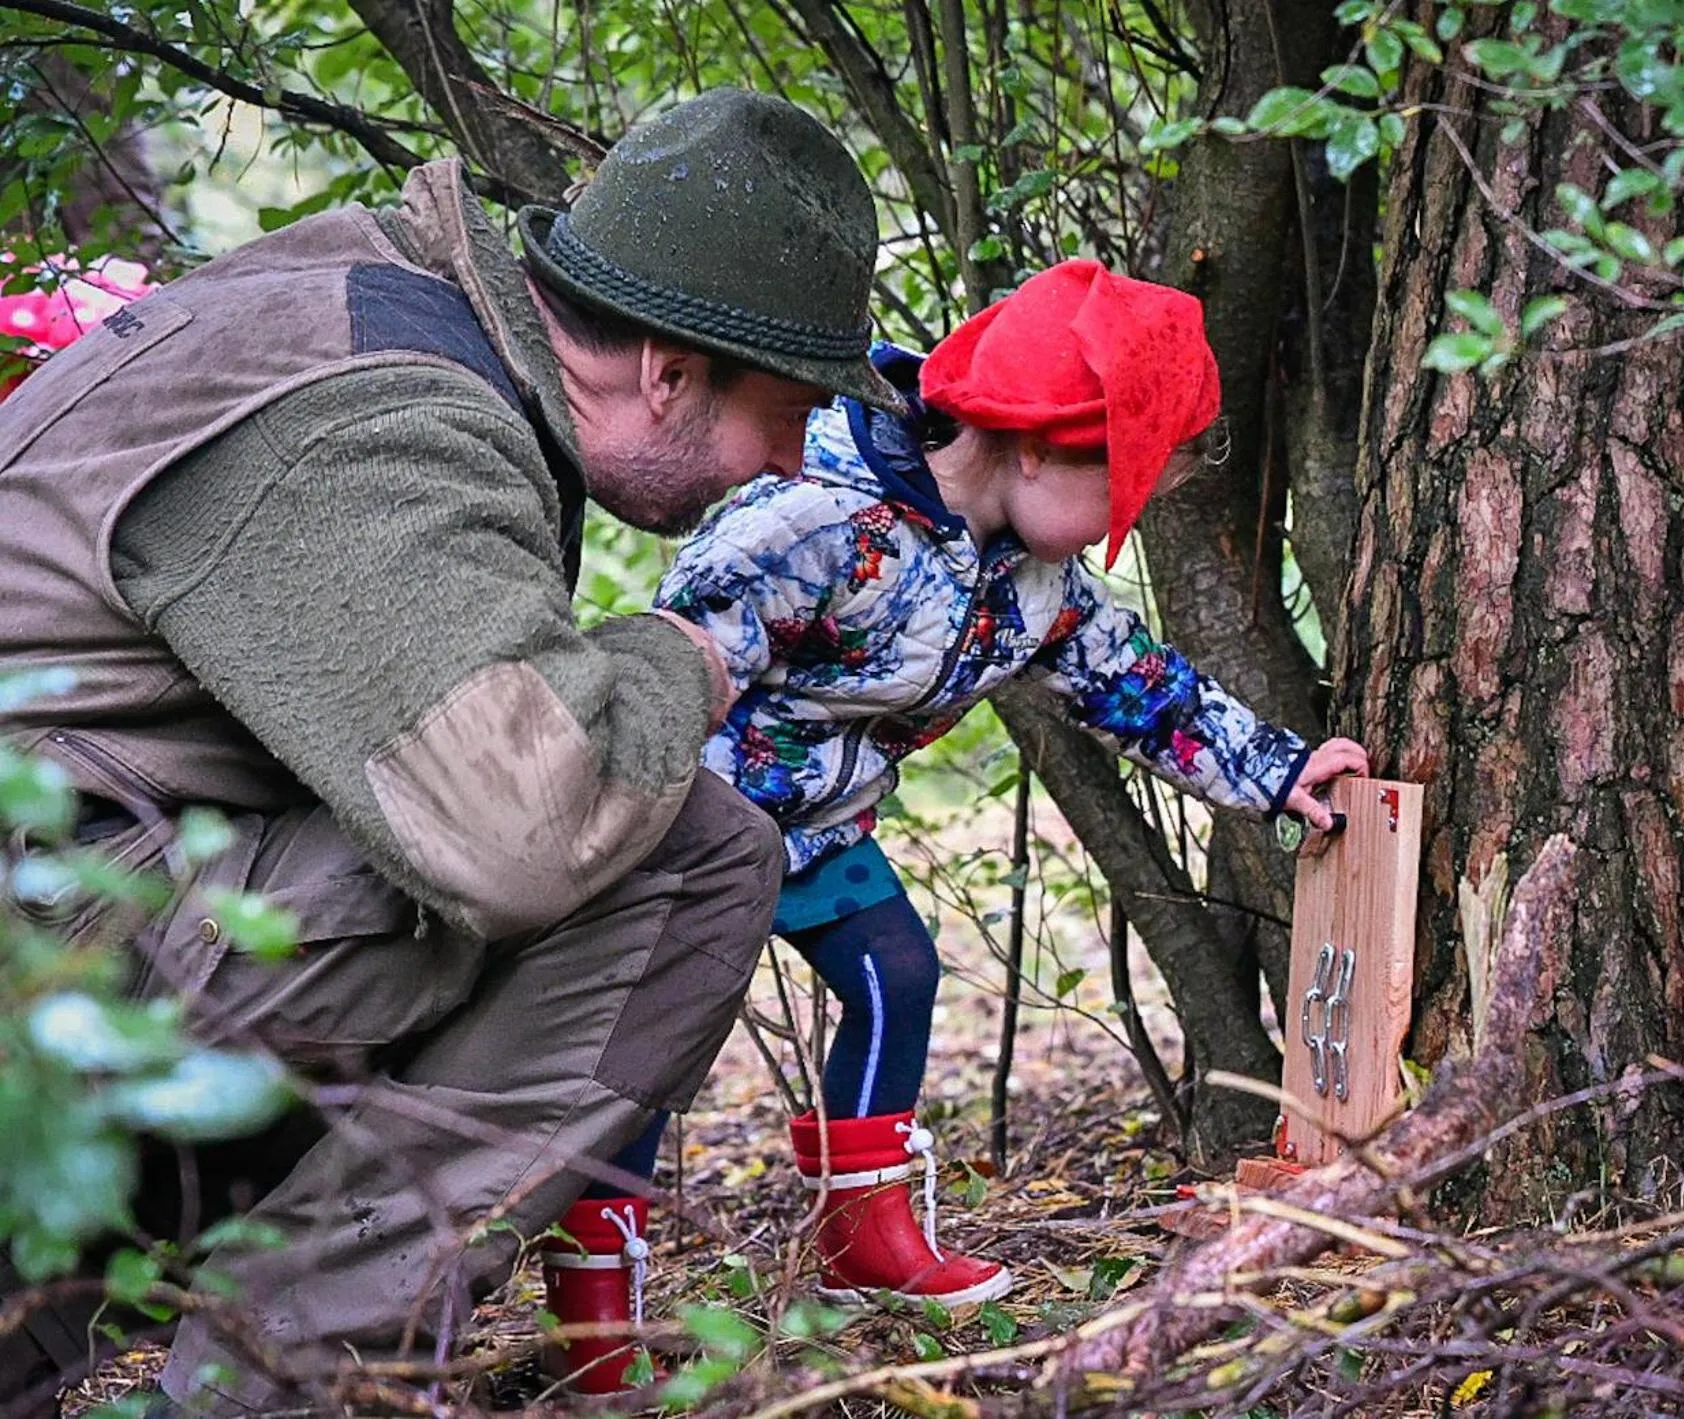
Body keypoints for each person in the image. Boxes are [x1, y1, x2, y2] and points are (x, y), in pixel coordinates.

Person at [0, 88, 899, 1415]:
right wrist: (678, 657)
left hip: (62, 896)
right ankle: (280, 1388)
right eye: (786, 411)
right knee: (690, 857)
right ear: (669, 367)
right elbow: (513, 833)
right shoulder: (386, 417)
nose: (781, 463)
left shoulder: (366, 309)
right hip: (43, 933)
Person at [636, 259, 1370, 1306]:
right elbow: (672, 672)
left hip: (823, 832)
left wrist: (1280, 771)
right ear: (1033, 450)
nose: (1131, 516)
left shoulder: (1026, 580)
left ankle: (865, 1235)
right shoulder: (813, 519)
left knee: (894, 971)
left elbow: (1133, 685)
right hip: (691, 828)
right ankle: (593, 1301)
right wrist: (628, 830)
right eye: (1122, 491)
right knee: (647, 1048)